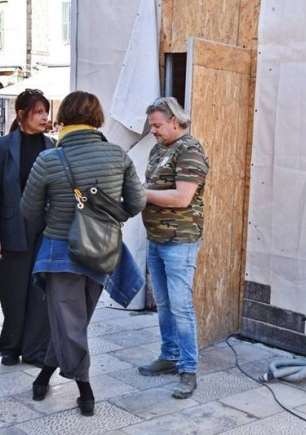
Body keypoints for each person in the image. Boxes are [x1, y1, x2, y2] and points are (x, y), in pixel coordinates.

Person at [20, 91, 146, 415]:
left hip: (60, 252)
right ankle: (45, 376)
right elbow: (137, 203)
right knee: (72, 323)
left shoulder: (49, 159)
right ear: (96, 118)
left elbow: (28, 211)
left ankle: (85, 390)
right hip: (102, 251)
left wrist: (58, 213)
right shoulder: (117, 155)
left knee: (70, 323)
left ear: (64, 116)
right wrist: (105, 217)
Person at [137, 97, 210, 400]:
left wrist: (141, 193)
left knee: (181, 306)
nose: (152, 131)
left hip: (180, 240)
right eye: (151, 125)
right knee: (164, 304)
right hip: (156, 238)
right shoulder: (158, 149)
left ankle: (188, 369)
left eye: (157, 125)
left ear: (174, 121)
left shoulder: (190, 150)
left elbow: (182, 198)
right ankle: (169, 355)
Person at [0, 89, 53, 369]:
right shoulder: (3, 146)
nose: (45, 117)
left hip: (45, 230)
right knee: (12, 291)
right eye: (39, 112)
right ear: (22, 114)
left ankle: (34, 349)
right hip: (12, 228)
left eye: (46, 111)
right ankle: (10, 347)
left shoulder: (52, 145)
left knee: (40, 291)